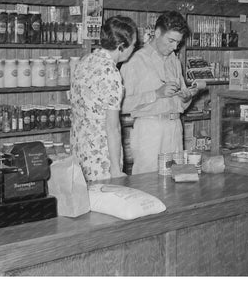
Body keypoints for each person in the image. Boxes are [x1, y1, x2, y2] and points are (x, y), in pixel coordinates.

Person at [120, 11, 198, 174]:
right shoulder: (135, 61)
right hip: (149, 129)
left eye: (178, 42)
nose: (175, 47)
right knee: (147, 183)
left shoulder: (174, 60)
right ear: (157, 33)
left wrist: (186, 98)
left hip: (175, 127)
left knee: (176, 182)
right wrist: (156, 94)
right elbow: (121, 105)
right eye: (171, 41)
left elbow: (181, 102)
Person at [70, 15, 137, 182]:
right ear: (121, 46)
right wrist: (115, 169)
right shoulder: (110, 73)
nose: (134, 49)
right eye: (133, 45)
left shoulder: (85, 61)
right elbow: (112, 127)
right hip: (101, 159)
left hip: (79, 152)